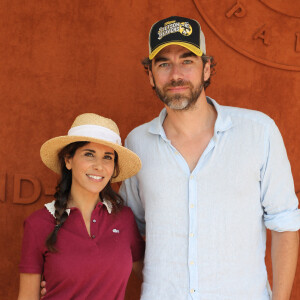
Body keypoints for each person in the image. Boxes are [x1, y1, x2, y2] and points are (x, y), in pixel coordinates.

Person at [119, 16, 300, 299]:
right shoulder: (136, 144)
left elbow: (285, 223)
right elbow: (128, 229)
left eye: (187, 61)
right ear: (151, 75)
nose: (176, 74)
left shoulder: (258, 132)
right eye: (164, 63)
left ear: (206, 69)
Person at [18, 113, 145, 300]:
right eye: (89, 154)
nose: (99, 166)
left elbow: (153, 276)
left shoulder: (124, 219)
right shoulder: (38, 224)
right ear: (68, 160)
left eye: (107, 157)